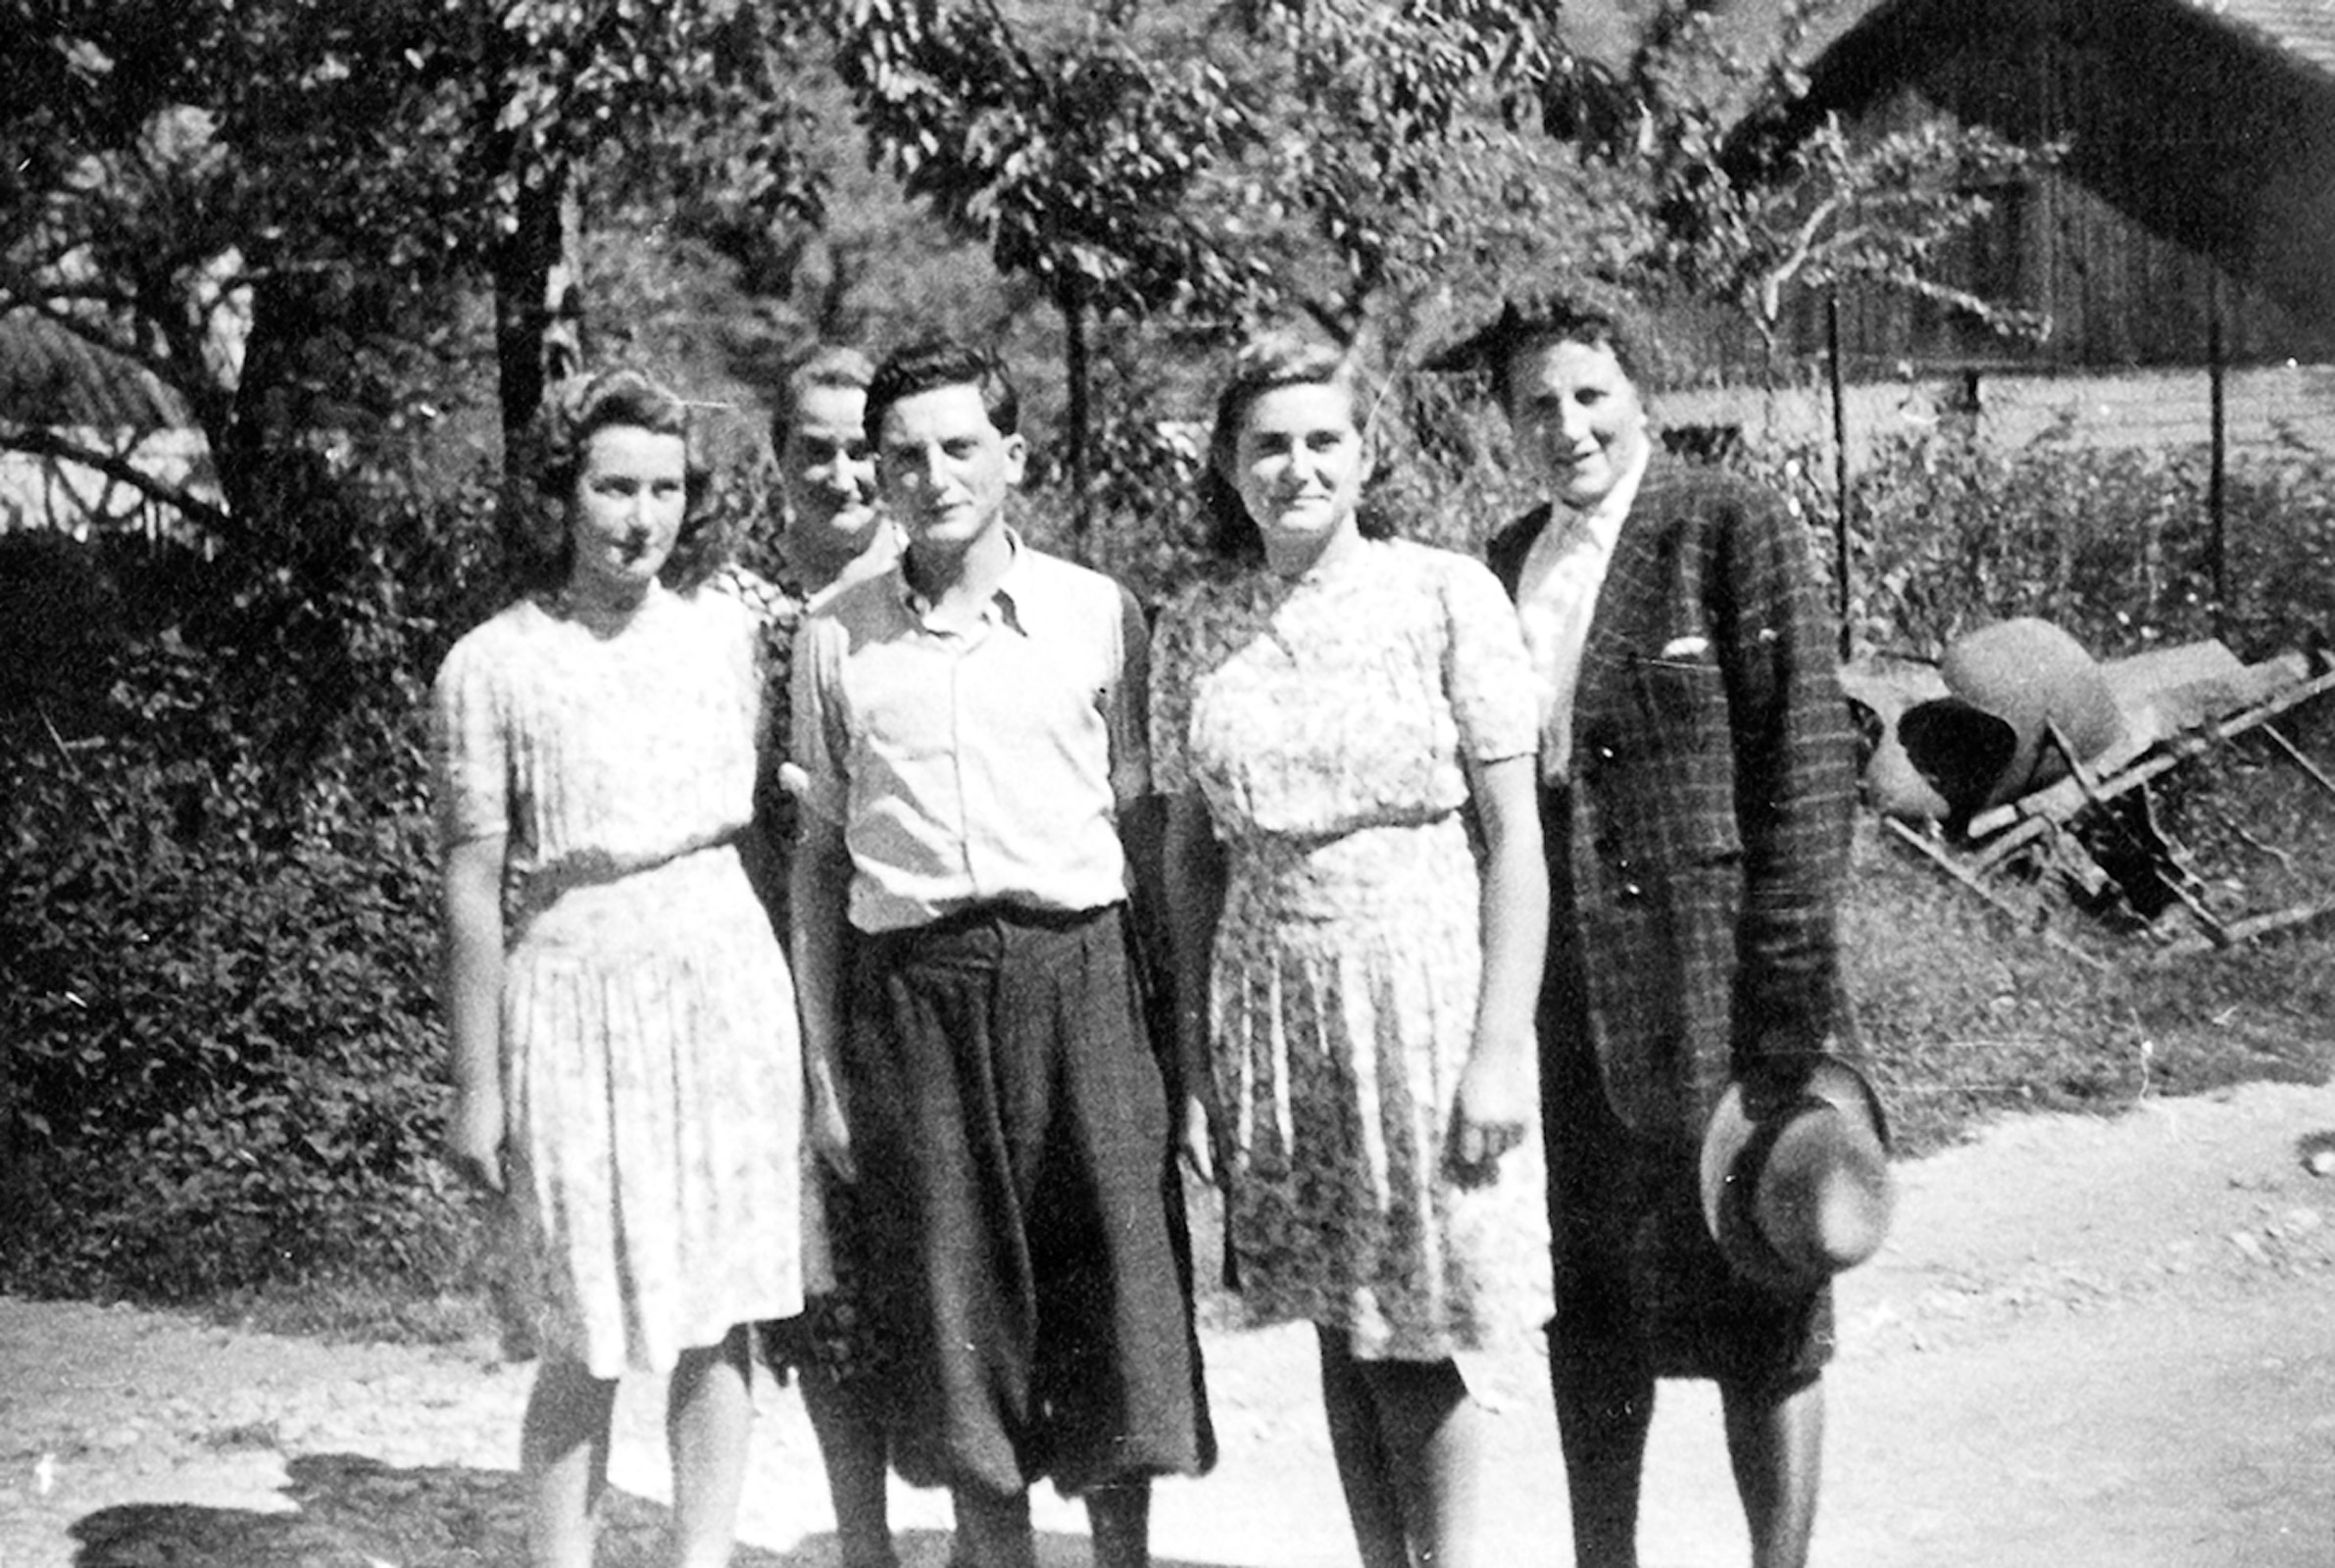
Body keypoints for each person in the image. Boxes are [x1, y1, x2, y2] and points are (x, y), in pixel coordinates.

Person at [1439, 288, 1861, 1568]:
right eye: (1536, 406)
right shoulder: (1507, 559)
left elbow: (1808, 755)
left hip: (1715, 983)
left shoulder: (1725, 523)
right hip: (1565, 994)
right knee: (1594, 1316)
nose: (1566, 426)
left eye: (1587, 396)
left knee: (1762, 1300)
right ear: (1508, 428)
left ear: (1639, 397)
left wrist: (1782, 1001)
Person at [788, 338, 1213, 1568]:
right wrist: (825, 1071)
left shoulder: (1099, 615)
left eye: (960, 446)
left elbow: (1145, 836)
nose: (932, 476)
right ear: (878, 470)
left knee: (1113, 1302)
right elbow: (822, 863)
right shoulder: (833, 636)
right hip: (914, 998)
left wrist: (1175, 1047)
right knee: (957, 1319)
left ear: (1014, 457)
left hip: (1081, 980)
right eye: (904, 454)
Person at [1150, 334, 1551, 1568]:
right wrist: (1201, 1068)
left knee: (1418, 1320)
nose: (1296, 467)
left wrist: (1496, 1050)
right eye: (1267, 445)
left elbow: (1514, 841)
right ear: (1227, 465)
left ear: (1367, 454)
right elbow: (1187, 859)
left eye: (1323, 440)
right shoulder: (1196, 623)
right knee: (1340, 1312)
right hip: (1272, 993)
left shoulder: (1444, 593)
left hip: (1420, 984)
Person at [433, 368, 802, 1568]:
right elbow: (473, 891)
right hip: (574, 990)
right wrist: (476, 1087)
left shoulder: (729, 635)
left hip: (720, 979)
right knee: (583, 1323)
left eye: (666, 487)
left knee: (720, 1309)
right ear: (561, 493)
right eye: (612, 486)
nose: (641, 515)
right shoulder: (491, 665)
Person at [711, 347, 915, 1568]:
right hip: (773, 955)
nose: (842, 475)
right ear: (778, 459)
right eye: (815, 449)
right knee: (820, 1271)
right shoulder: (731, 610)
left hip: (911, 953)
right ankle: (863, 1539)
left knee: (925, 1249)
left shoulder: (925, 588)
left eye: (861, 450)